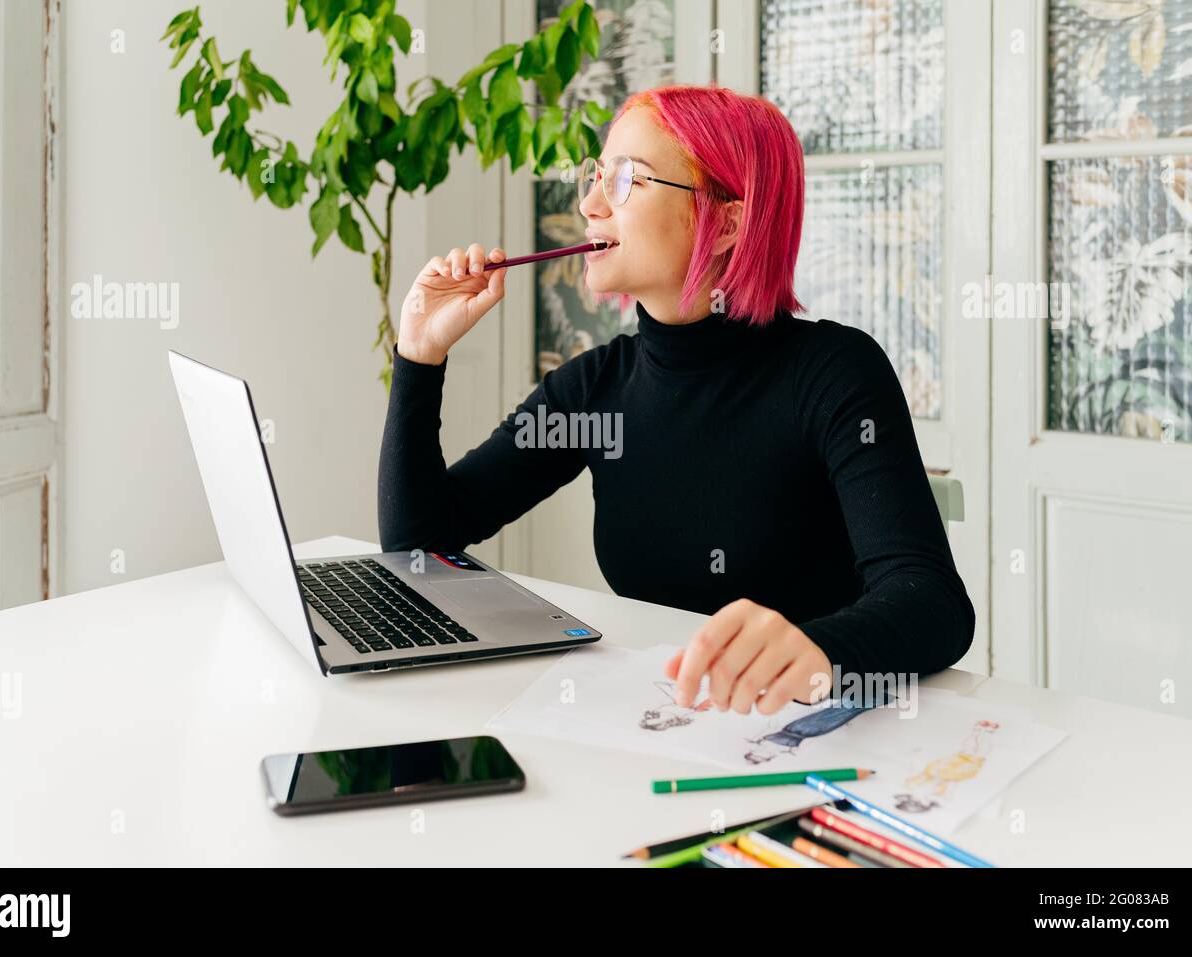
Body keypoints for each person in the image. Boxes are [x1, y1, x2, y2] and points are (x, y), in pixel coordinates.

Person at [378, 85, 974, 716]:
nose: (589, 204)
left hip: (810, 733)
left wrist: (813, 649)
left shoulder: (835, 373)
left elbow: (931, 602)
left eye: (628, 179)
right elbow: (420, 546)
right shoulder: (592, 391)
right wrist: (418, 355)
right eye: (597, 175)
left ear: (727, 222)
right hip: (662, 727)